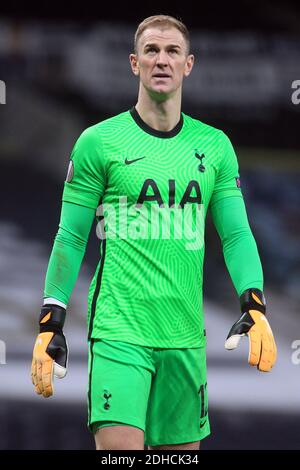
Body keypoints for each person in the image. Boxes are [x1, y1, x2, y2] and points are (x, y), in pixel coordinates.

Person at [31, 15, 277, 451]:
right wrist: (52, 321)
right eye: (151, 51)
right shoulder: (98, 142)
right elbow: (70, 237)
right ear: (134, 63)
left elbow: (237, 234)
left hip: (185, 338)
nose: (161, 60)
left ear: (188, 64)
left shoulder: (215, 146)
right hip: (118, 333)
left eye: (172, 52)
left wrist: (252, 301)